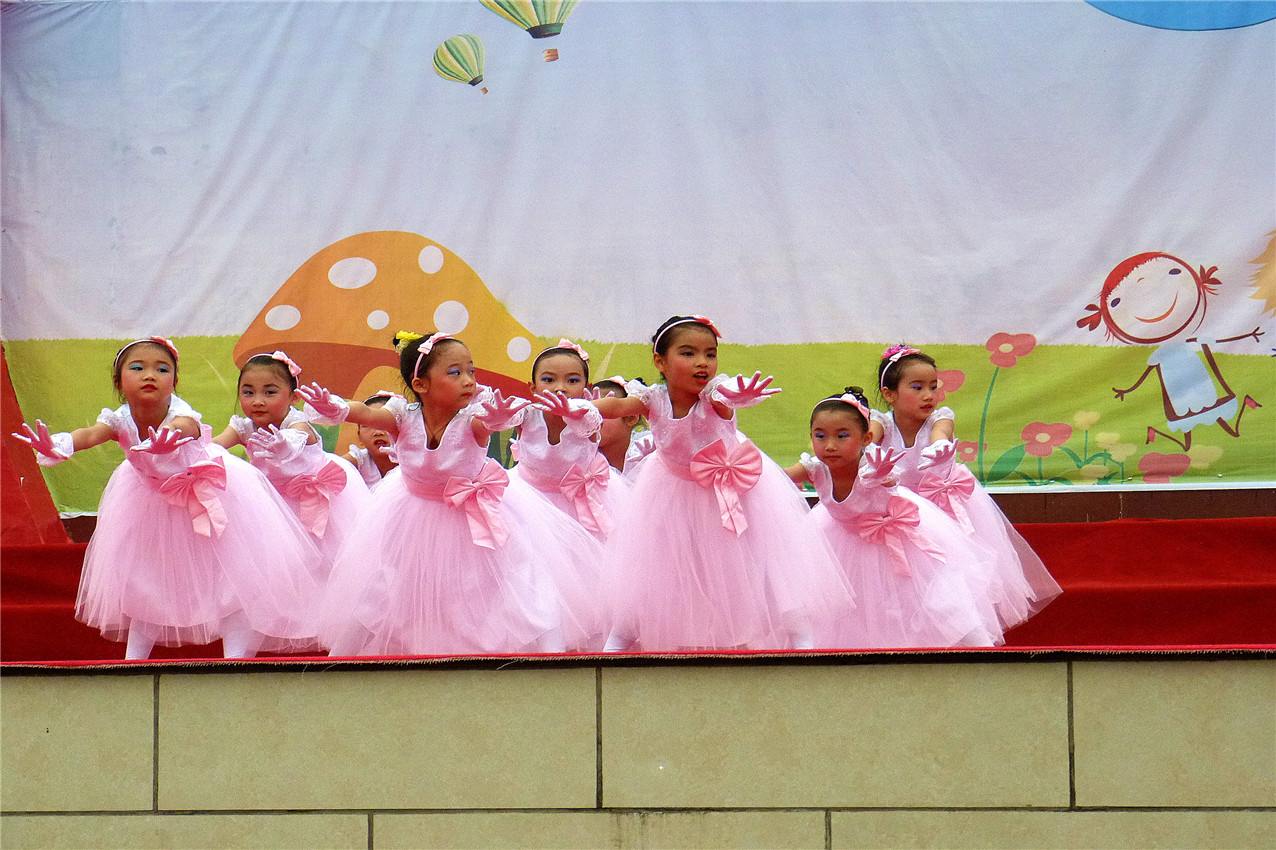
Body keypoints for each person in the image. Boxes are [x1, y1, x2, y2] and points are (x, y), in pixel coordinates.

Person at [13, 337, 322, 659]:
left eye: (162, 370)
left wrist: (167, 437)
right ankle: (135, 659)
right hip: (151, 499)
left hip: (210, 493)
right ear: (118, 381)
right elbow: (91, 434)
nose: (150, 375)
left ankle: (237, 658)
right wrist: (60, 444)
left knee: (234, 577)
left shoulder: (179, 411)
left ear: (173, 382)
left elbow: (186, 427)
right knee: (147, 578)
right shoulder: (119, 418)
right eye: (138, 368)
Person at [298, 331, 601, 655]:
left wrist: (497, 420)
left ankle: (552, 651)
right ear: (421, 385)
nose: (469, 380)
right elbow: (366, 413)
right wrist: (336, 408)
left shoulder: (473, 418)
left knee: (520, 576)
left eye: (471, 370)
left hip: (473, 513)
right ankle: (341, 658)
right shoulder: (402, 415)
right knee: (390, 583)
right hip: (415, 516)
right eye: (455, 373)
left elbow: (487, 425)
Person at [588, 315, 855, 652]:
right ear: (660, 361)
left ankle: (800, 636)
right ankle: (620, 638)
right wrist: (582, 407)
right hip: (670, 490)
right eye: (688, 353)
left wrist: (738, 395)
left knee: (768, 564)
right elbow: (616, 405)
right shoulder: (653, 398)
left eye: (710, 354)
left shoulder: (714, 393)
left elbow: (724, 396)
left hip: (731, 489)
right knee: (654, 566)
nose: (702, 362)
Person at [784, 389, 1000, 648]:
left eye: (842, 436)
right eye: (820, 436)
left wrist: (880, 475)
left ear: (866, 439)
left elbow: (887, 480)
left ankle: (982, 649)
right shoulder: (815, 468)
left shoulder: (873, 467)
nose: (830, 445)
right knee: (816, 600)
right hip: (838, 537)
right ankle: (811, 657)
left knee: (938, 596)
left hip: (896, 538)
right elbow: (778, 476)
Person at [870, 344, 1061, 628]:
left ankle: (958, 629)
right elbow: (866, 440)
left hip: (940, 510)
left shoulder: (940, 418)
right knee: (899, 576)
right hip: (898, 512)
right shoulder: (881, 423)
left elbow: (940, 433)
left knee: (948, 573)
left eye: (933, 387)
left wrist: (939, 447)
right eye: (917, 387)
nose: (929, 395)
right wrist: (863, 455)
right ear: (889, 394)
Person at [213, 352, 367, 573]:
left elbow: (298, 437)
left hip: (314, 501)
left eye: (270, 392)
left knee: (324, 562)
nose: (258, 401)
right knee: (278, 565)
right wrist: (192, 446)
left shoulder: (297, 422)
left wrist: (284, 446)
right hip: (270, 504)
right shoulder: (243, 427)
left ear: (294, 397)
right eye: (248, 392)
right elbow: (216, 444)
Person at [592, 376, 654, 478]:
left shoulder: (648, 449)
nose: (593, 419)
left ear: (631, 418)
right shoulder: (583, 456)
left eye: (602, 412)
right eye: (589, 412)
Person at [343, 392, 400, 488]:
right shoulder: (359, 460)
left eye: (384, 423)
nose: (378, 432)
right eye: (367, 425)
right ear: (359, 436)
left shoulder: (415, 459)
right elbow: (330, 469)